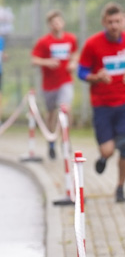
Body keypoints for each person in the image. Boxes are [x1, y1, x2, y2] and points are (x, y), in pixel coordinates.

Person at [78, 2, 125, 203]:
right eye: (110, 22)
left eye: (117, 21)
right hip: (102, 104)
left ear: (123, 21)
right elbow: (81, 72)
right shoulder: (92, 44)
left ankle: (120, 187)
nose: (114, 26)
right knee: (107, 149)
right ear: (104, 22)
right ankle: (104, 157)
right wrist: (96, 77)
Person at [31, 10, 78, 159]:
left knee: (65, 108)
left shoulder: (71, 38)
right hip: (49, 84)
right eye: (53, 22)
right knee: (51, 113)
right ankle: (51, 141)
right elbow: (34, 60)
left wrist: (73, 63)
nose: (56, 24)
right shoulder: (44, 42)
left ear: (62, 23)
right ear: (49, 25)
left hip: (65, 81)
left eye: (58, 21)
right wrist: (47, 62)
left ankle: (65, 139)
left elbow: (76, 53)